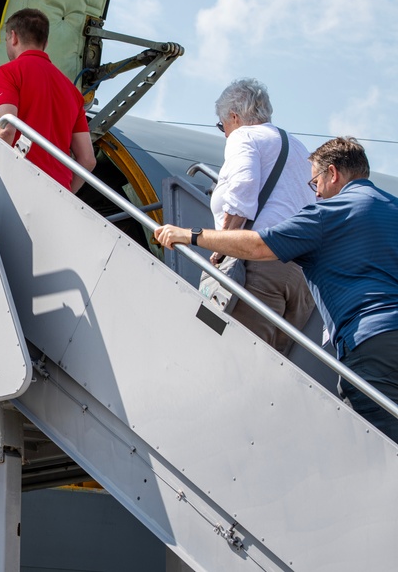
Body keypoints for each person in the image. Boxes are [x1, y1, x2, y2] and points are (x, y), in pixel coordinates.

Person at [155, 137, 398, 442]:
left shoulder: (328, 214)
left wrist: (190, 235)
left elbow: (258, 245)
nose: (317, 194)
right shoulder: (393, 207)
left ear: (333, 174)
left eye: (316, 183)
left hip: (369, 342)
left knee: (376, 446)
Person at [208, 78, 315, 354]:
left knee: (235, 357)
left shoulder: (244, 136)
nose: (224, 133)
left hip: (260, 266)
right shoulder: (299, 149)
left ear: (234, 116)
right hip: (301, 280)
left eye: (223, 126)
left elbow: (242, 192)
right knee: (268, 370)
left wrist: (222, 244)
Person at [0, 8, 96, 193]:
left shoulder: (8, 73)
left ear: (13, 37)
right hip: (56, 193)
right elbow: (87, 159)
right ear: (45, 43)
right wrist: (66, 193)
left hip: (18, 184)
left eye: (6, 39)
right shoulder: (72, 92)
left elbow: (6, 129)